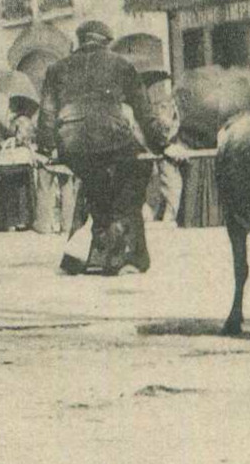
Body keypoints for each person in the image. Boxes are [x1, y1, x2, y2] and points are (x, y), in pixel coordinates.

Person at [39, 21, 169, 276]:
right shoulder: (121, 65)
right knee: (135, 174)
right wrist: (161, 144)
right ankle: (127, 257)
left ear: (80, 41)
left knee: (93, 184)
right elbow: (144, 112)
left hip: (71, 144)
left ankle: (87, 255)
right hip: (111, 139)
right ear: (106, 41)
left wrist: (47, 148)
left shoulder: (56, 69)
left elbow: (46, 114)